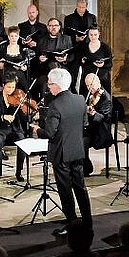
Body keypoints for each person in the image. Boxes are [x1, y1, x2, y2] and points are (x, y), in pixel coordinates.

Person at [30, 68, 92, 236]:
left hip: (61, 154)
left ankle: (72, 225)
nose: (48, 87)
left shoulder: (55, 105)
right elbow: (84, 124)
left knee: (65, 191)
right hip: (77, 150)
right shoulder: (80, 100)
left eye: (50, 84)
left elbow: (49, 133)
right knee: (81, 188)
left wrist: (37, 129)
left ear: (57, 85)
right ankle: (88, 222)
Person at [0, 74, 28, 182]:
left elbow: (23, 118)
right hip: (0, 128)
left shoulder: (17, 97)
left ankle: (19, 172)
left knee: (22, 140)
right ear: (3, 85)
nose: (11, 90)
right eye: (9, 87)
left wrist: (24, 108)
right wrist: (3, 117)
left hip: (14, 129)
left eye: (13, 87)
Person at [82, 73, 113, 176]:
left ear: (98, 82)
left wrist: (93, 113)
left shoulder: (106, 99)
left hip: (101, 132)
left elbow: (104, 118)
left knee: (83, 140)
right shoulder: (91, 96)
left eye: (91, 85)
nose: (89, 88)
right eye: (87, 86)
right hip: (92, 128)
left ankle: (86, 167)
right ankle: (82, 165)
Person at [35, 18, 73, 97]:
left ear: (59, 27)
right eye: (51, 25)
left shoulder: (66, 39)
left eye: (55, 25)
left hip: (62, 68)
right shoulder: (42, 40)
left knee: (64, 80)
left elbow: (72, 55)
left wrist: (65, 59)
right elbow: (36, 55)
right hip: (45, 69)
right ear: (48, 27)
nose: (53, 27)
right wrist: (40, 58)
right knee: (42, 82)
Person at [75, 25, 112, 94]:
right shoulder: (83, 47)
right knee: (86, 97)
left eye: (95, 34)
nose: (93, 37)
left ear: (99, 34)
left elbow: (110, 64)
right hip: (87, 76)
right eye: (91, 35)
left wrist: (103, 64)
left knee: (102, 98)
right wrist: (82, 61)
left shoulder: (105, 47)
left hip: (101, 76)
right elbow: (78, 61)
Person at [0, 25, 30, 92]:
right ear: (8, 37)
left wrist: (22, 67)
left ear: (18, 37)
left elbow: (26, 66)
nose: (14, 38)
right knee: (9, 76)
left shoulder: (23, 49)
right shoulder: (2, 49)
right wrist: (1, 65)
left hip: (19, 72)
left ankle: (26, 96)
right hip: (6, 72)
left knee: (20, 76)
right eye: (12, 36)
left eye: (16, 36)